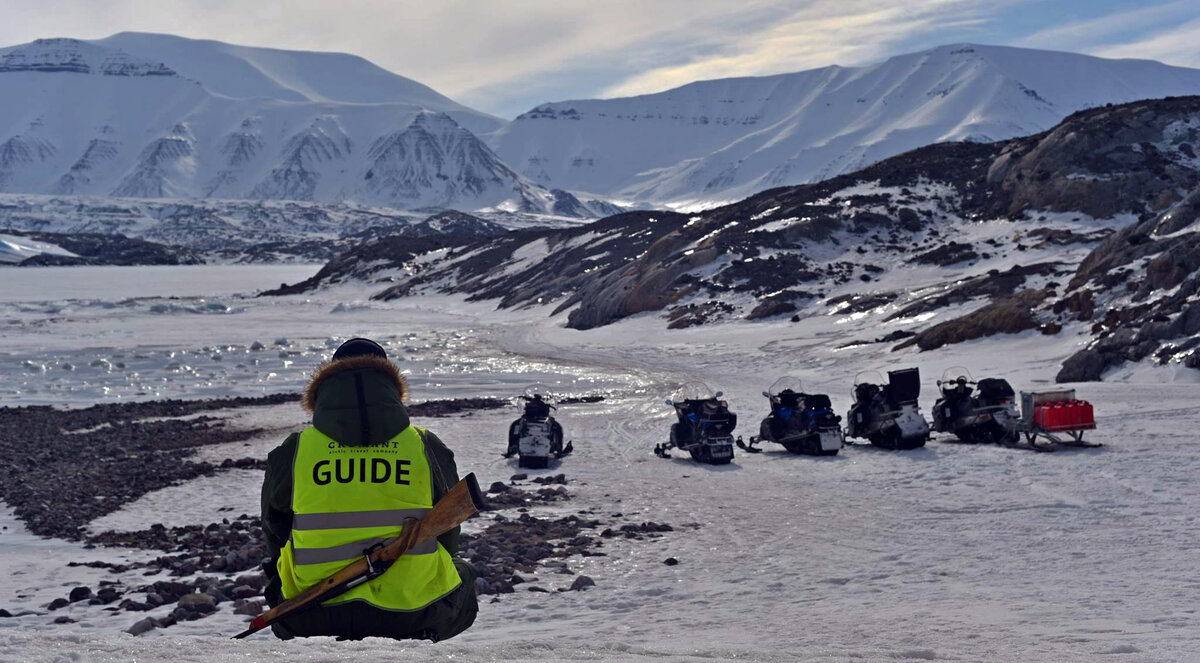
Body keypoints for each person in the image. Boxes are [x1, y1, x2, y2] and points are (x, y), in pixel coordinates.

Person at [260, 337, 477, 641]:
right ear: (390, 386)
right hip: (413, 613)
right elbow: (449, 531)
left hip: (311, 614)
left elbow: (274, 529)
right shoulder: (425, 444)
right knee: (462, 572)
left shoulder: (295, 450)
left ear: (325, 388)